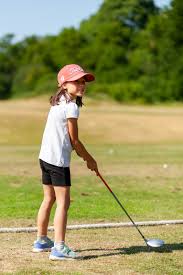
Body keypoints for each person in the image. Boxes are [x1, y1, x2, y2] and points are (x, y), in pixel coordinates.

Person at [33, 64, 99, 260]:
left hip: (45, 158)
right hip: (57, 161)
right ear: (63, 84)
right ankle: (59, 247)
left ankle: (42, 240)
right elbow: (75, 141)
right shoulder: (71, 107)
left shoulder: (59, 101)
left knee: (49, 199)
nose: (81, 85)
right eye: (76, 81)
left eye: (83, 82)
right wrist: (90, 159)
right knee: (63, 202)